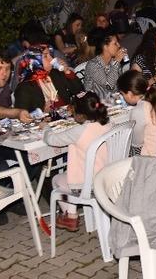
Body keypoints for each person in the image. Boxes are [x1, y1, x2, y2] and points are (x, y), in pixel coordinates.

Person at [43, 91, 113, 232]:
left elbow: (51, 140)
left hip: (88, 185)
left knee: (57, 179)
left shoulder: (79, 131)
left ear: (80, 115)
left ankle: (71, 215)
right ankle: (71, 215)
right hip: (110, 177)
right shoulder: (109, 124)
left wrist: (46, 128)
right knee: (67, 176)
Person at [13, 46, 84, 113]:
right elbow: (21, 116)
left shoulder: (56, 74)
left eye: (50, 55)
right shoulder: (24, 87)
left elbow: (80, 91)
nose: (51, 59)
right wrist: (42, 111)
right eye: (46, 56)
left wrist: (67, 71)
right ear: (35, 60)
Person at [83, 33, 126, 102]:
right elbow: (109, 86)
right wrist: (116, 62)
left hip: (114, 101)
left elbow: (119, 85)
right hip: (97, 104)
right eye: (115, 43)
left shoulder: (113, 60)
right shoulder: (93, 65)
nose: (119, 45)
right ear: (105, 47)